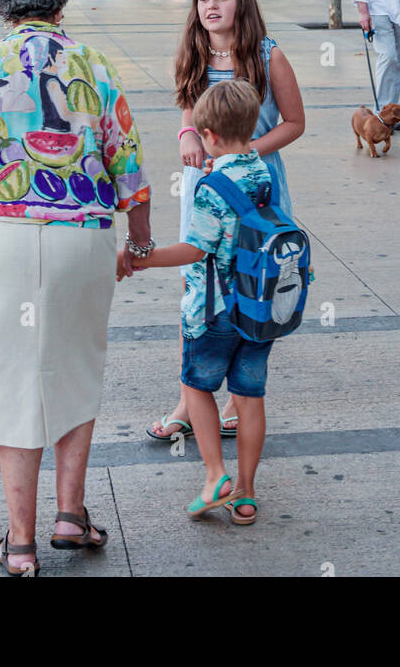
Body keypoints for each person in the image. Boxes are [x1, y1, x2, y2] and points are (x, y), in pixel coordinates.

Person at [0, 0, 152, 576]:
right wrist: (138, 243)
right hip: (82, 237)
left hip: (1, 240)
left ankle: (20, 544)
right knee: (75, 368)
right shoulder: (96, 67)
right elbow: (129, 168)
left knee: (8, 380)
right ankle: (70, 516)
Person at [146, 0, 304, 444]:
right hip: (204, 183)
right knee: (197, 285)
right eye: (203, 0)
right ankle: (189, 400)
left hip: (255, 186)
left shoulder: (267, 55)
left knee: (251, 283)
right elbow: (188, 111)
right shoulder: (193, 51)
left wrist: (244, 153)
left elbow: (294, 122)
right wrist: (187, 135)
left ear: (242, 3)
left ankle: (239, 400)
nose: (211, 6)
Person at [123, 79, 277, 524]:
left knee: (197, 387)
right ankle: (245, 493)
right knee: (249, 398)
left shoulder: (211, 187)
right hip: (256, 308)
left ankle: (215, 477)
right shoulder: (261, 172)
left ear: (208, 136)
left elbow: (196, 250)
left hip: (213, 311)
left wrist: (138, 258)